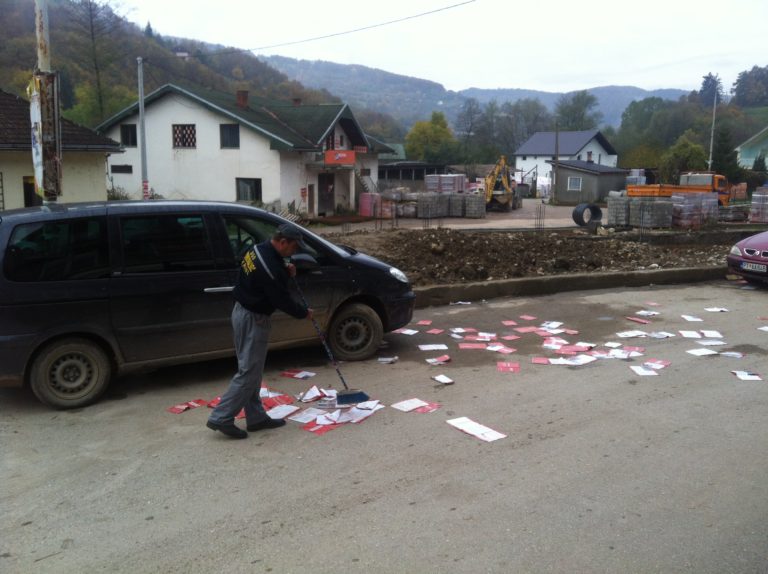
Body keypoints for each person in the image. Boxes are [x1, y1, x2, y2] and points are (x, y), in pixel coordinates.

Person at [207, 223, 314, 439]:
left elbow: (263, 276)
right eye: (293, 247)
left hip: (241, 311)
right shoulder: (271, 268)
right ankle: (221, 417)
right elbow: (281, 298)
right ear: (283, 242)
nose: (294, 252)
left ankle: (255, 417)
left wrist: (285, 270)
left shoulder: (257, 249)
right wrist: (304, 313)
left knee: (251, 370)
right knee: (249, 372)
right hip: (253, 319)